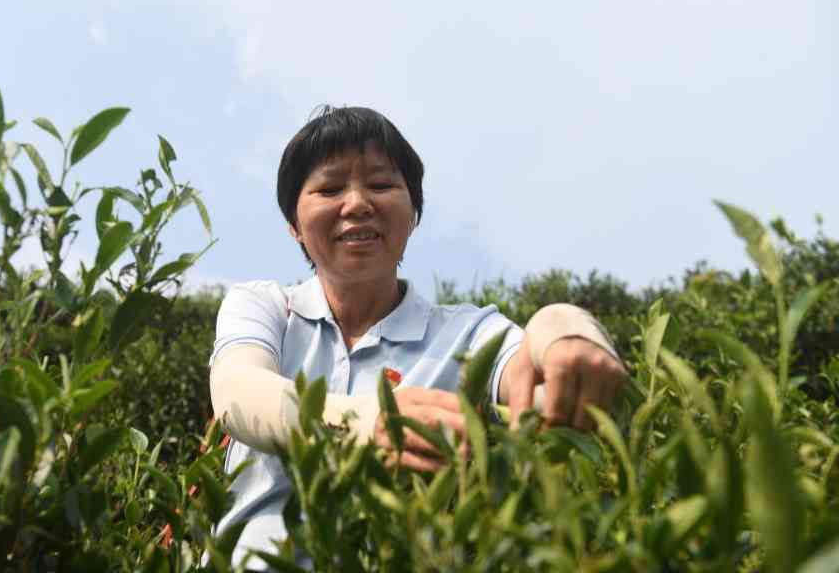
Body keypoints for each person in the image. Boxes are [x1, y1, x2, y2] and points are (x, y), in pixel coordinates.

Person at [208, 106, 626, 569]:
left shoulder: (467, 333)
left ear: (414, 213)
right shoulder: (265, 307)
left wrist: (565, 327)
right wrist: (366, 424)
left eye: (382, 185)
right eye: (329, 188)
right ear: (293, 224)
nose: (357, 203)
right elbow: (239, 394)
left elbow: (535, 371)